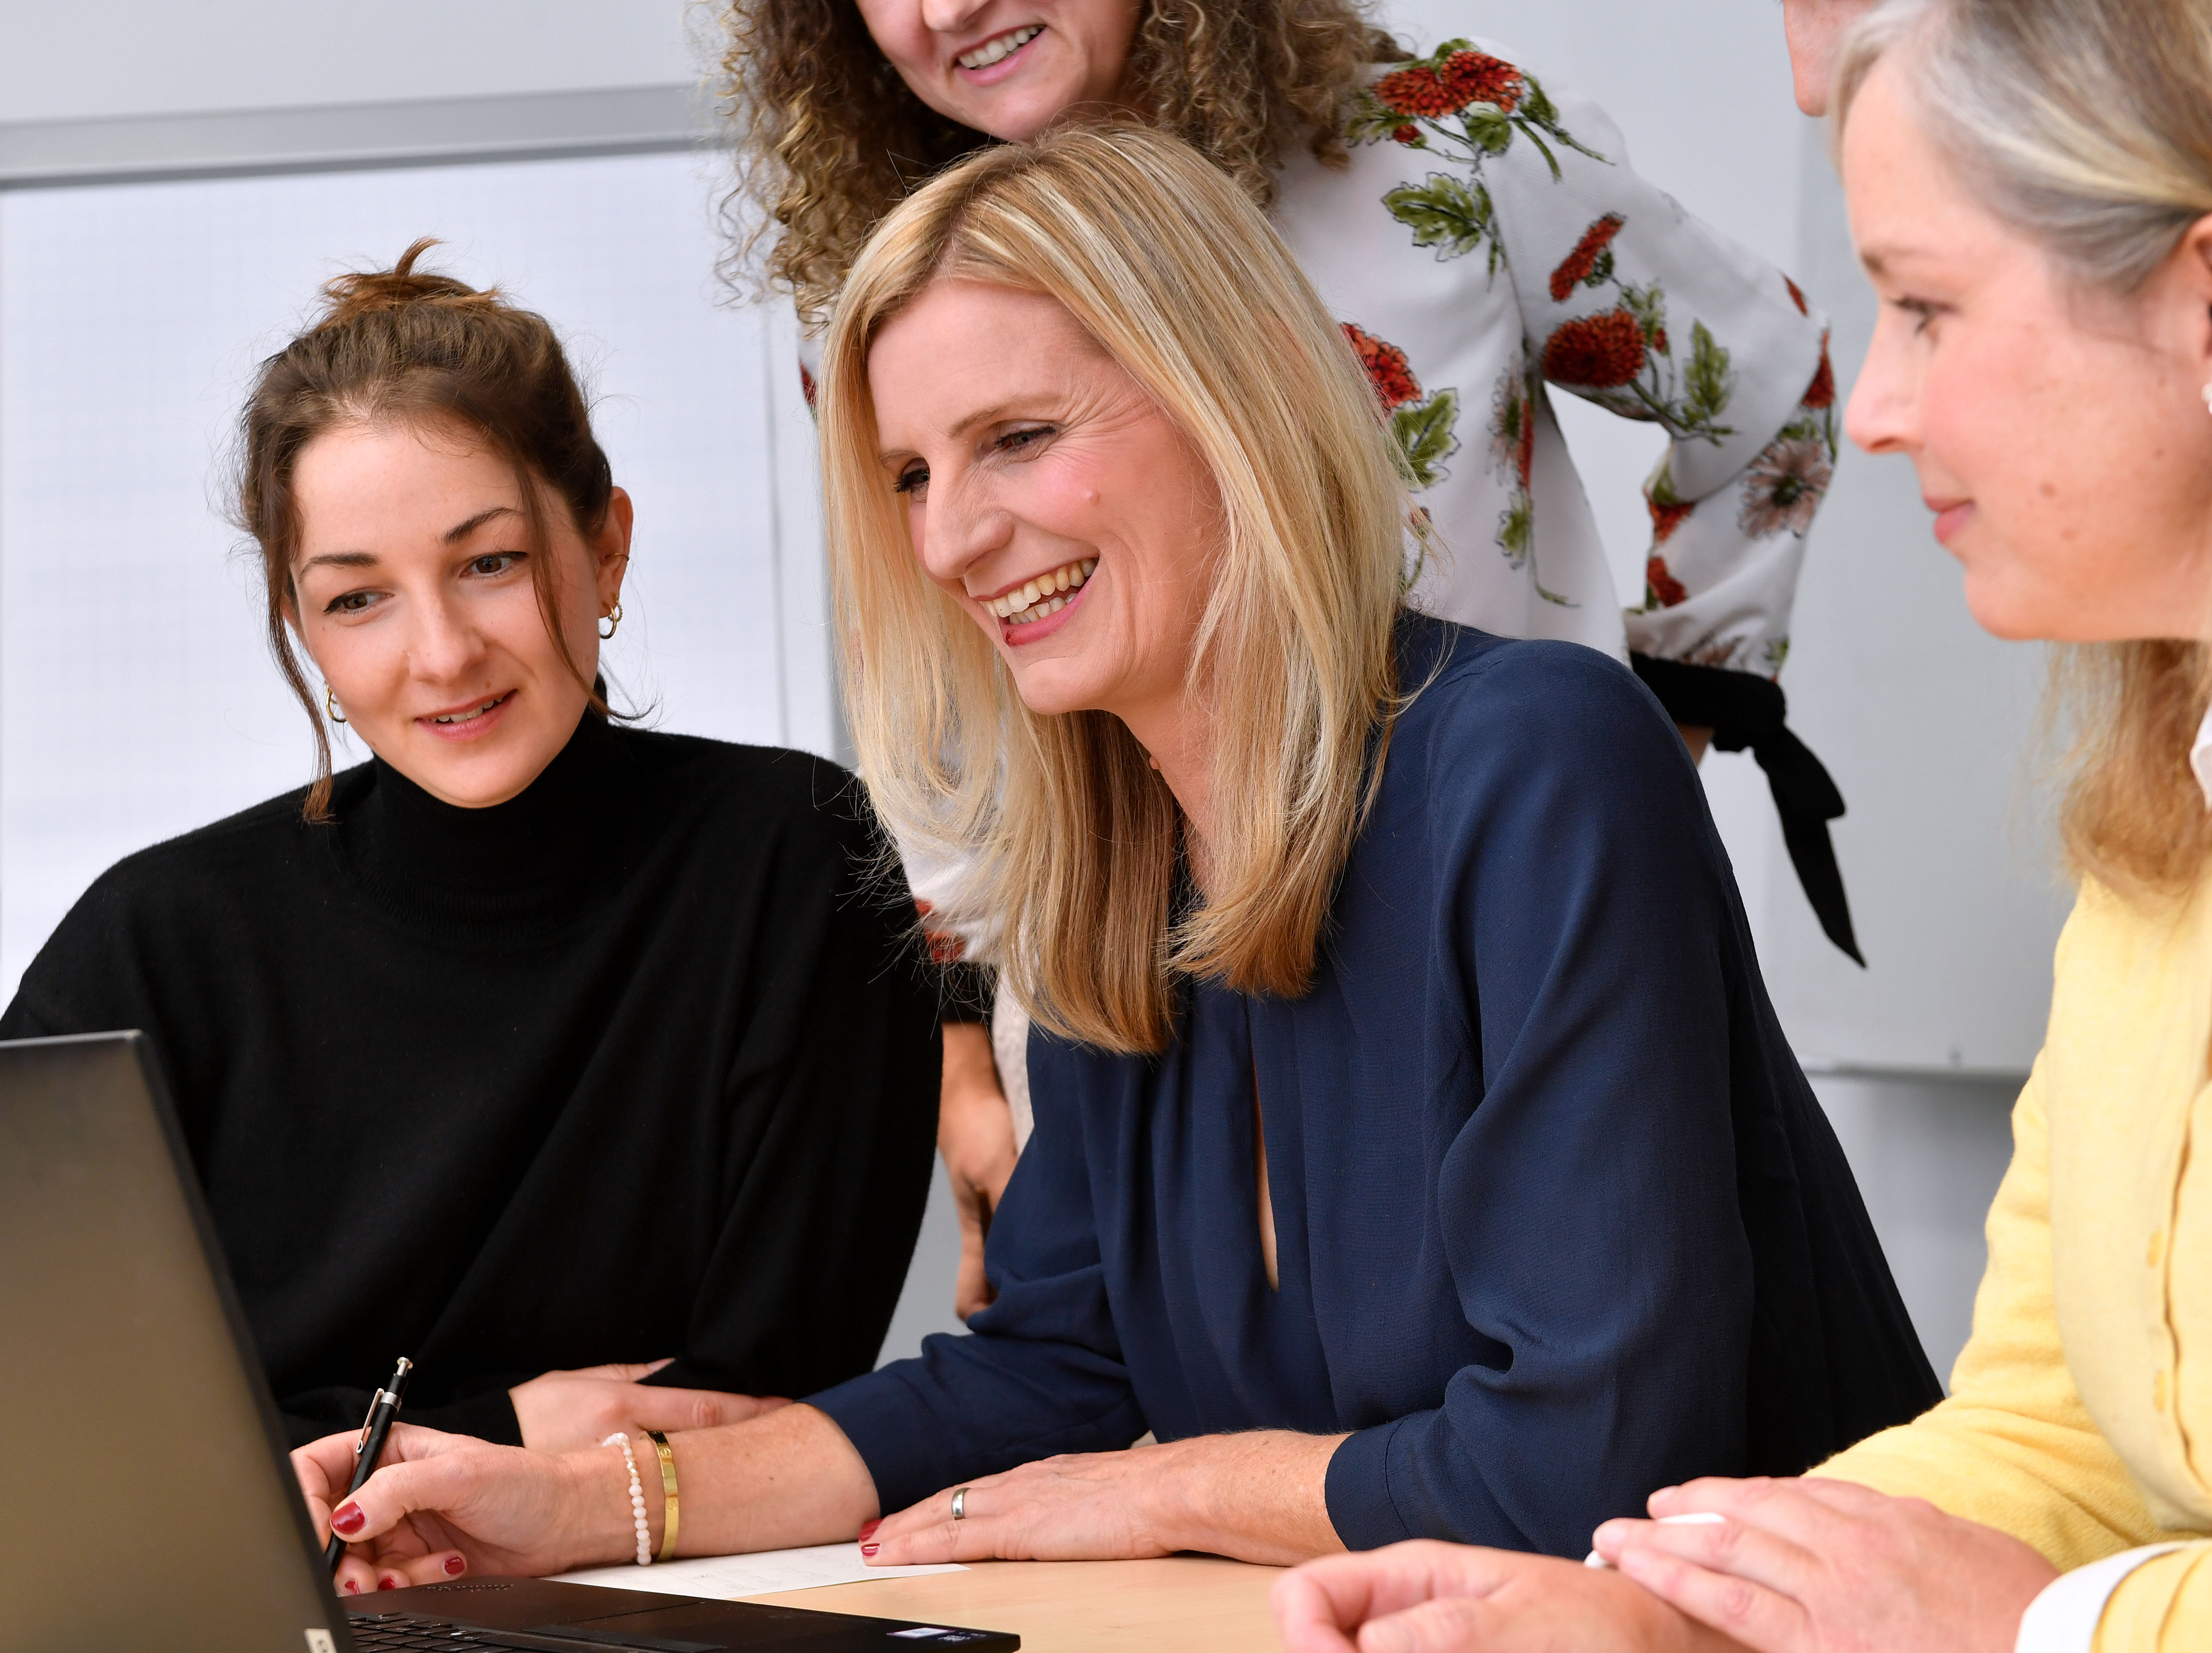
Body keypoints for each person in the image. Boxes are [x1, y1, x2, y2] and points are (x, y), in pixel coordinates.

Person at [272, 124, 1938, 1598]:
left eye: (1016, 437)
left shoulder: (1540, 759)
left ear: (1235, 400)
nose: (949, 538)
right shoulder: (1121, 873)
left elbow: (1577, 1461)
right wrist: (570, 1507)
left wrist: (1178, 1486)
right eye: (914, 474)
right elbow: (1050, 1369)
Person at [0, 245, 947, 1592]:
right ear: (300, 625)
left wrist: (309, 1456)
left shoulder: (789, 863)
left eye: (489, 562)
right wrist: (509, 1430)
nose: (438, 653)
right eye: (357, 597)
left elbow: (750, 1411)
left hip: (631, 1609)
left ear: (605, 542)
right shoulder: (163, 935)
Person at [1269, 2, 2212, 1649]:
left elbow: (2052, 1585)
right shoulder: (2158, 829)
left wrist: (2050, 1631)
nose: (1875, 410)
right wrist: (1642, 1607)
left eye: (1925, 308)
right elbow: (2057, 1430)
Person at [717, 0, 1869, 1317]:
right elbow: (967, 689)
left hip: (1480, 948)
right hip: (1119, 998)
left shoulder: (1449, 152)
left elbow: (1763, 385)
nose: (946, 8)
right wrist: (964, 1050)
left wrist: (1651, 740)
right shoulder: (882, 295)